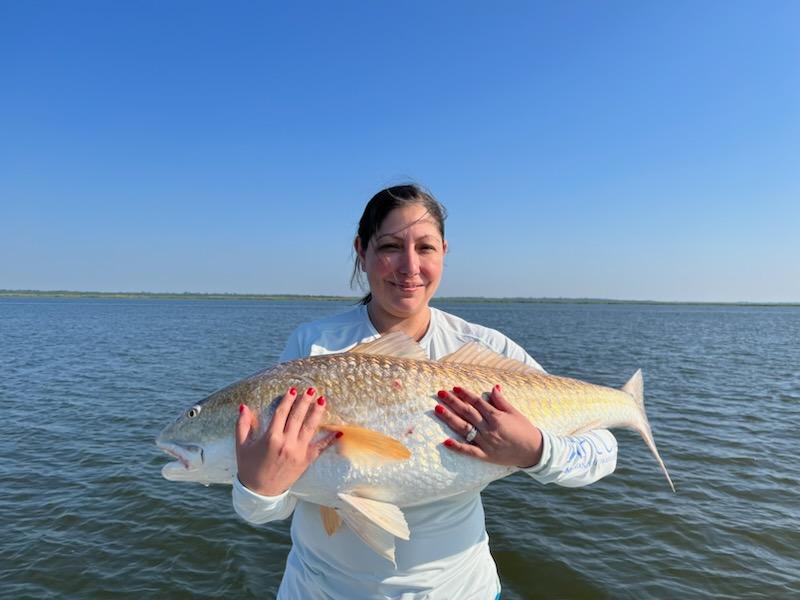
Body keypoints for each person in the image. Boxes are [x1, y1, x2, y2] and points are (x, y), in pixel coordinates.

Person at [233, 184, 618, 599]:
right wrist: (259, 487)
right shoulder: (315, 347)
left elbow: (603, 453)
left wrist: (535, 451)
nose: (409, 266)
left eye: (426, 248)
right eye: (391, 246)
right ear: (361, 251)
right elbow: (266, 508)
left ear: (445, 253)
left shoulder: (488, 350)